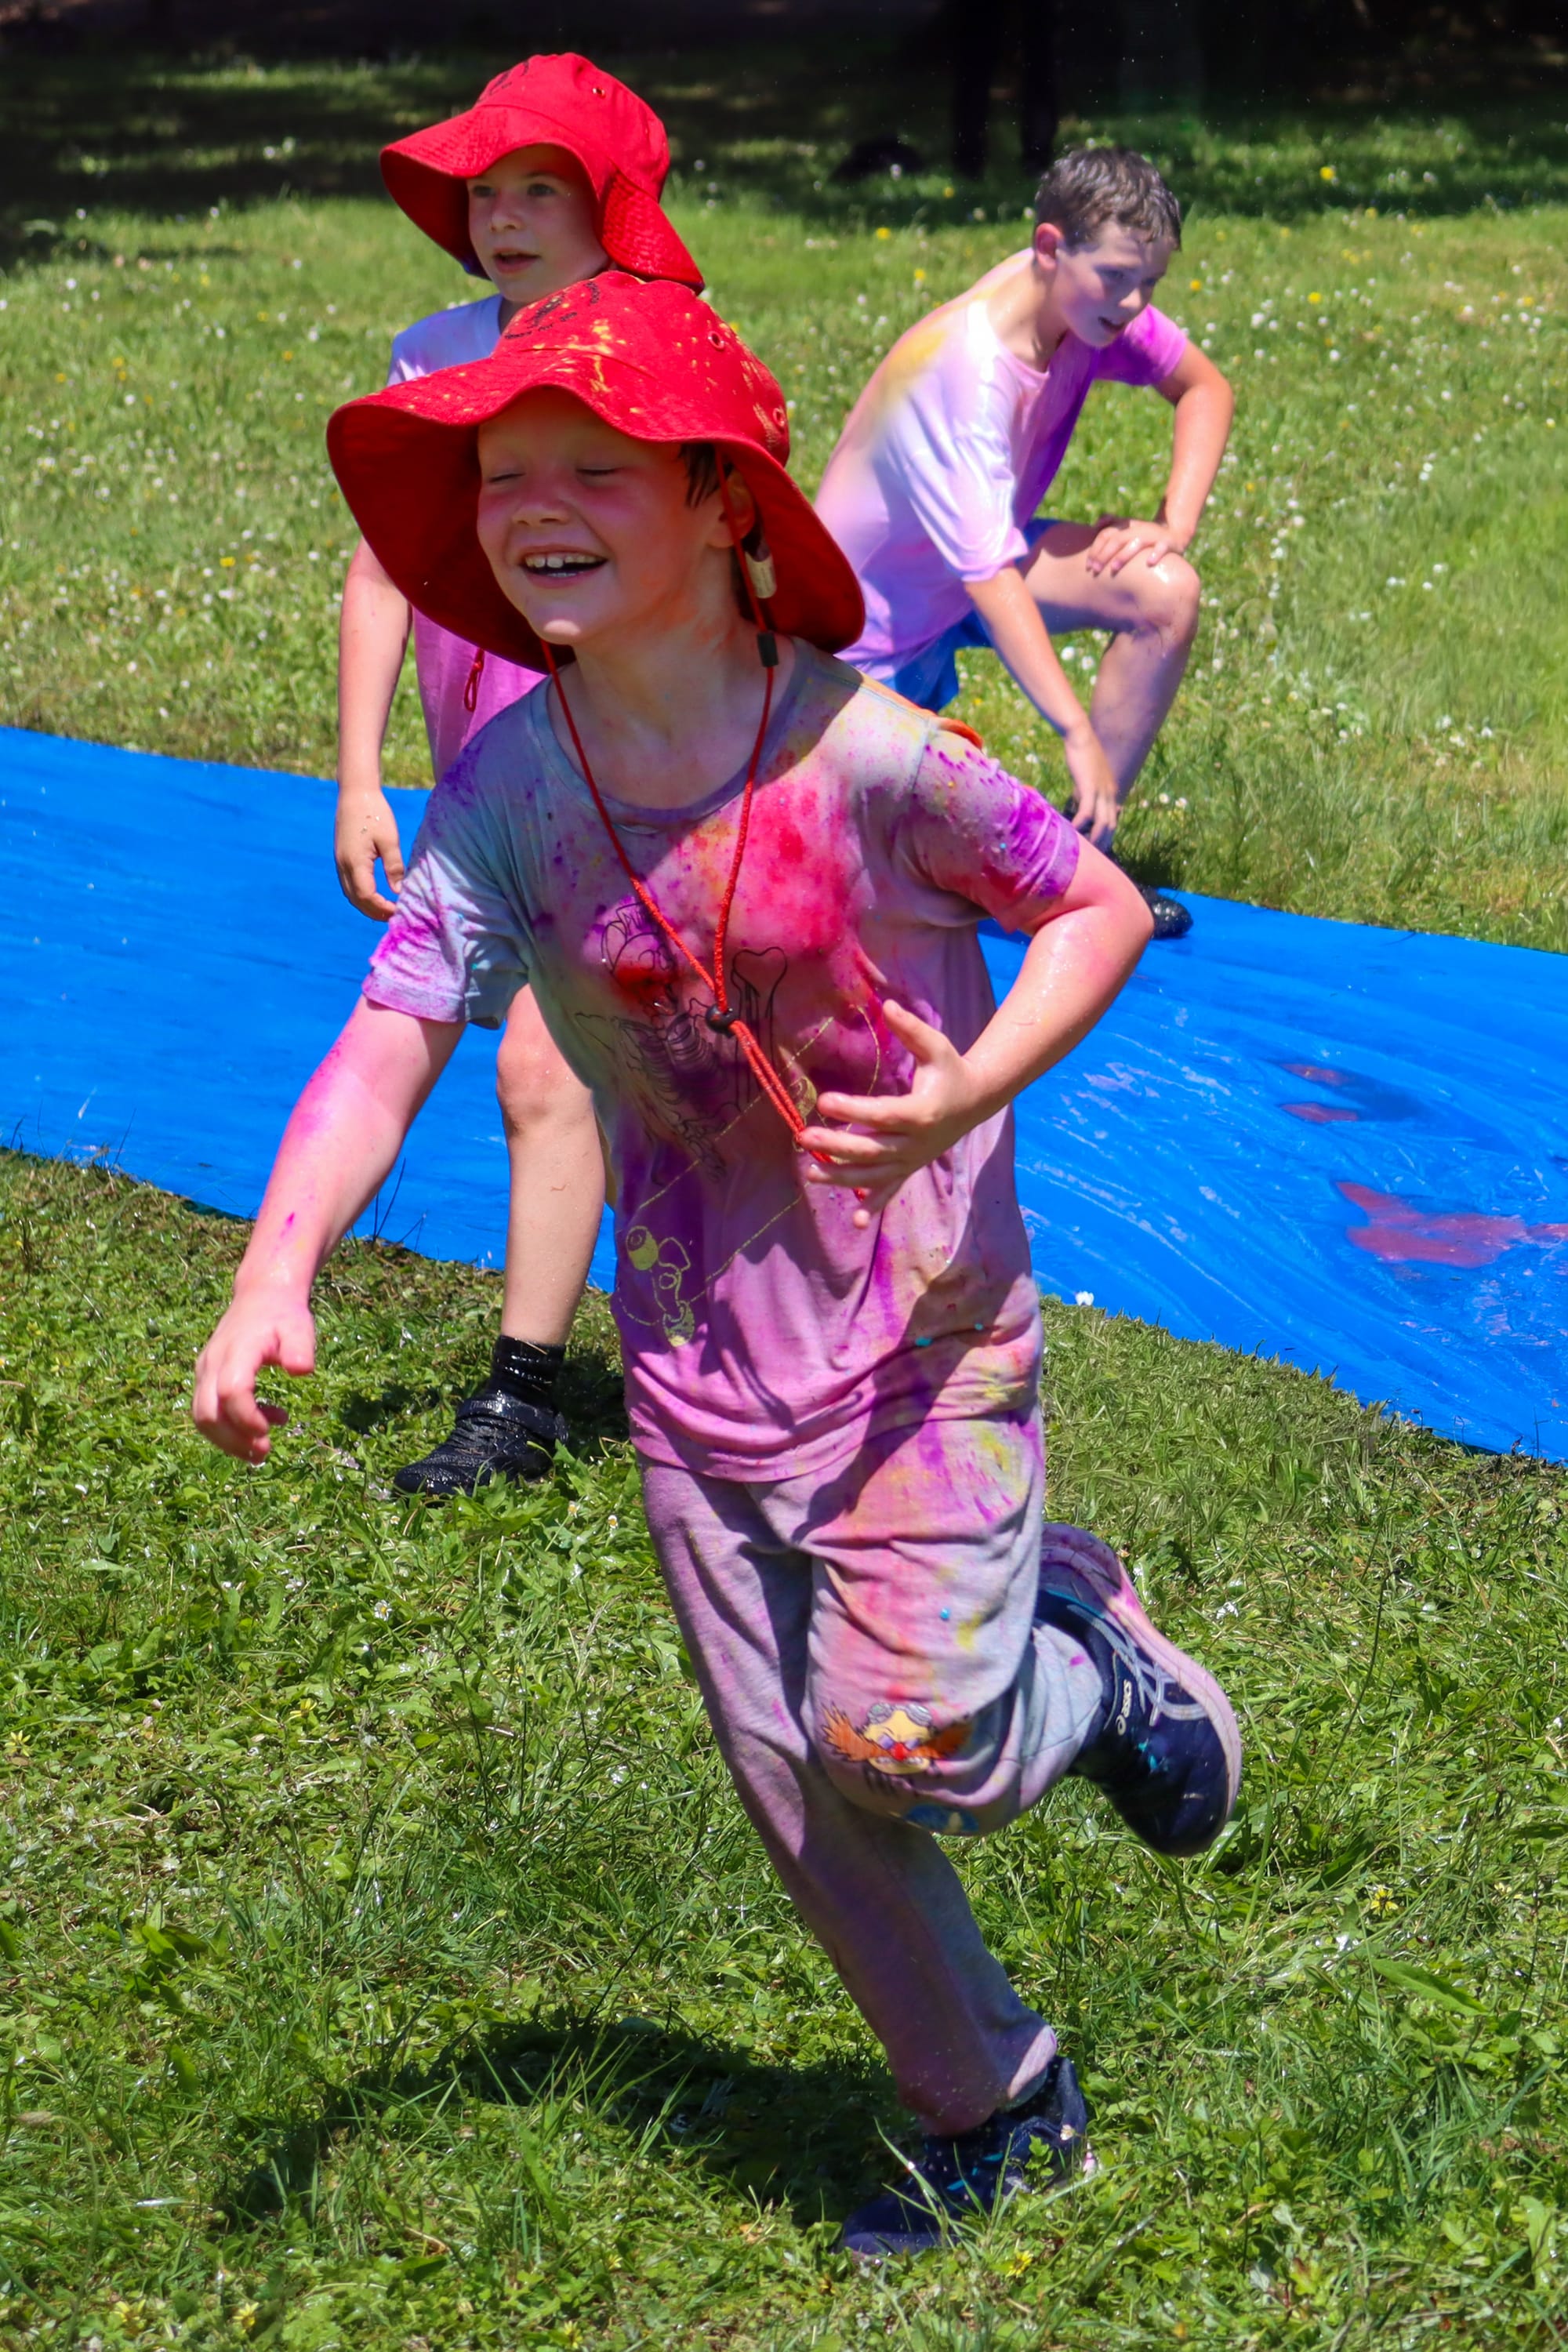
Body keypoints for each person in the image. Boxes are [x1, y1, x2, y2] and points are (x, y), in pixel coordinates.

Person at [193, 274, 1240, 2260]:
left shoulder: (873, 756)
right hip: (693, 1370)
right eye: (503, 477)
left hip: (920, 1337)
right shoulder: (512, 794)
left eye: (592, 469)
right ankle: (996, 2103)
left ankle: (1087, 1661)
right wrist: (275, 1264)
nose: (534, 504)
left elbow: (1094, 906)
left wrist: (967, 1091)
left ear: (723, 509)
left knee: (910, 1740)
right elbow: (394, 1031)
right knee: (795, 1781)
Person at [334, 53, 704, 1497]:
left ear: (612, 209)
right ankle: (275, 1296)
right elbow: (383, 570)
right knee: (444, 1040)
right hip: (485, 789)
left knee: (548, 1065)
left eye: (538, 190)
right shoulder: (433, 354)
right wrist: (360, 774)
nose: (499, 218)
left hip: (628, 783)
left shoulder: (659, 357)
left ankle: (522, 1399)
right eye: (483, 193)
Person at [815, 143, 1234, 941]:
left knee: (1164, 590)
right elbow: (990, 578)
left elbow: (1204, 388)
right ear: (1049, 247)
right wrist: (1075, 732)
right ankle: (1015, 861)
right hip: (856, 644)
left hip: (964, 580)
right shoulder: (968, 371)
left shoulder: (1083, 302)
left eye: (1149, 282)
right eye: (1117, 277)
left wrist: (1172, 525)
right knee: (887, 888)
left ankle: (1087, 860)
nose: (1134, 303)